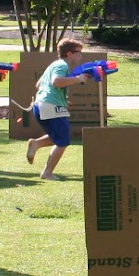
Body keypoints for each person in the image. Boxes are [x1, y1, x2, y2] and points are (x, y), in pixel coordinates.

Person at [26, 37, 88, 180]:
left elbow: (39, 85)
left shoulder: (54, 65)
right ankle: (47, 172)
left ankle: (36, 143)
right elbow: (56, 82)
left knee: (60, 136)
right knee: (63, 141)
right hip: (49, 105)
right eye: (78, 52)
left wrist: (61, 98)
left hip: (42, 104)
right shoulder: (62, 66)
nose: (81, 55)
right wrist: (78, 79)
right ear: (69, 54)